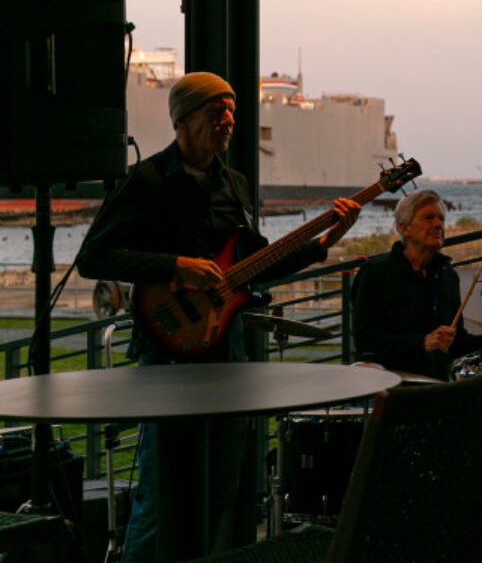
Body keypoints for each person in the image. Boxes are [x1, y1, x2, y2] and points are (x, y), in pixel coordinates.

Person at [76, 71, 360, 562]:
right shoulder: (146, 181)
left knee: (217, 496)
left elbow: (255, 268)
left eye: (231, 110)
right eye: (216, 112)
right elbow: (93, 258)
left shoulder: (235, 185)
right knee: (159, 501)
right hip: (166, 359)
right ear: (182, 121)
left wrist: (323, 244)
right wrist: (174, 266)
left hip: (225, 355)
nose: (228, 120)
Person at [350, 188, 482, 380]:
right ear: (405, 228)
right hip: (392, 383)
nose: (438, 225)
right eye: (428, 218)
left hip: (440, 381)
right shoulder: (376, 272)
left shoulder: (448, 276)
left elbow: (457, 343)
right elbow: (365, 341)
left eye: (441, 219)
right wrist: (422, 343)